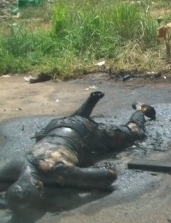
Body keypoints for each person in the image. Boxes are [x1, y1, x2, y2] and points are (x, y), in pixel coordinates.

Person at [0, 91, 156, 214]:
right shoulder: (20, 163)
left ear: (40, 189)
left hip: (85, 131)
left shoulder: (58, 171)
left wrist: (76, 183)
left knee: (134, 133)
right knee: (74, 123)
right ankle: (88, 104)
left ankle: (140, 109)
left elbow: (109, 176)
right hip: (54, 127)